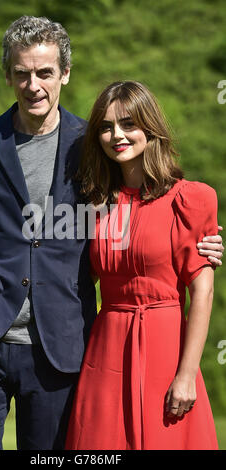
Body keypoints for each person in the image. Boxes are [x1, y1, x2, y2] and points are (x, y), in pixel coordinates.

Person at [0, 16, 223, 450]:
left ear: (65, 73)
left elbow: (149, 196)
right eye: (22, 73)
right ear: (8, 75)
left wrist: (202, 237)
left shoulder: (93, 143)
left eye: (45, 72)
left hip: (60, 351)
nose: (34, 85)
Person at [65, 80, 220, 450]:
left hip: (166, 343)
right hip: (106, 350)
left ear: (150, 129)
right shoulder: (95, 206)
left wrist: (186, 375)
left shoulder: (192, 199)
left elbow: (202, 289)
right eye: (105, 126)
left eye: (128, 124)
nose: (116, 135)